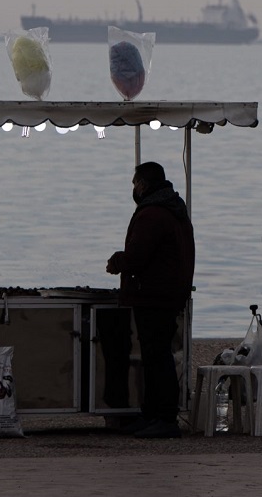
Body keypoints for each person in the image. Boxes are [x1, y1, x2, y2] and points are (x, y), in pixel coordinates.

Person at [106, 161, 195, 439]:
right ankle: (153, 414)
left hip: (154, 297)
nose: (133, 189)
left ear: (143, 184)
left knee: (157, 358)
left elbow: (137, 257)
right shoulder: (175, 209)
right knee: (157, 356)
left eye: (134, 184)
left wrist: (117, 261)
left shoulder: (152, 214)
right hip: (169, 294)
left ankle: (164, 417)